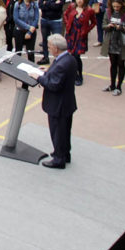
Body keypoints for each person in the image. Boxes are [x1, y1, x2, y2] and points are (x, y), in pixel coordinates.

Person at [29, 34, 76, 169]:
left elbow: (53, 85)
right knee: (65, 132)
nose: (48, 49)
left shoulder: (61, 64)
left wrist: (39, 77)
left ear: (56, 48)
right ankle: (64, 153)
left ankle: (58, 159)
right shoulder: (68, 59)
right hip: (67, 103)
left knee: (58, 132)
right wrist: (48, 70)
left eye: (49, 47)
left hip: (58, 105)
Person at [101, 0, 125, 96]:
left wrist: (121, 28)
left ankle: (119, 86)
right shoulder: (108, 12)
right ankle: (112, 85)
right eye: (114, 6)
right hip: (111, 42)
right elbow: (103, 25)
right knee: (113, 64)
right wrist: (109, 26)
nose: (116, 8)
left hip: (122, 43)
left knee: (121, 64)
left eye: (118, 6)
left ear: (122, 5)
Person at [63, 0, 97, 86]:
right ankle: (70, 74)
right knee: (69, 55)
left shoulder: (89, 10)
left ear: (85, 0)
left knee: (76, 57)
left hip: (80, 35)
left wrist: (87, 30)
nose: (79, 0)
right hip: (71, 34)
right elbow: (65, 15)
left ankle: (79, 75)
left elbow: (94, 22)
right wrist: (67, 24)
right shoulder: (72, 6)